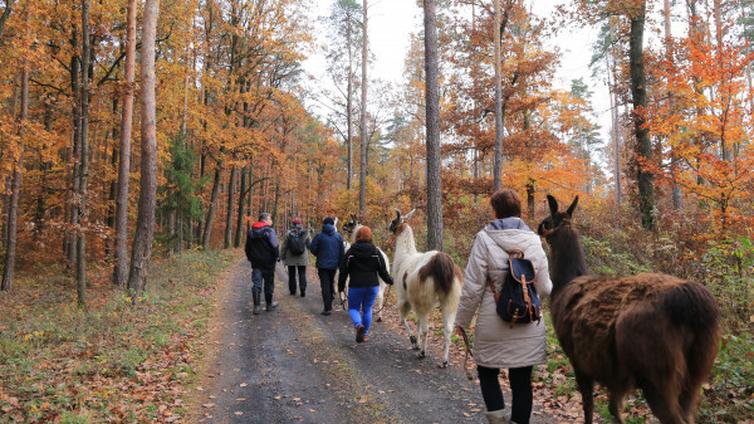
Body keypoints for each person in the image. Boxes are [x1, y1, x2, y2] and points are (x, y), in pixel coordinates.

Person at [454, 189, 553, 424]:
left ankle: (497, 419)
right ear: (519, 211)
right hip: (527, 321)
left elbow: (473, 286)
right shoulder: (533, 240)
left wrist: (461, 321)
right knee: (521, 381)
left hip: (493, 322)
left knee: (487, 372)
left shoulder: (484, 239)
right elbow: (546, 287)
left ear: (495, 211)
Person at [337, 226, 393, 342]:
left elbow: (343, 270)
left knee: (353, 308)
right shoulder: (376, 252)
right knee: (367, 309)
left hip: (356, 286)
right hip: (372, 286)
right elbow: (382, 271)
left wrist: (341, 286)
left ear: (357, 236)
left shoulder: (351, 252)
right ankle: (365, 334)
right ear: (370, 237)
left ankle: (358, 325)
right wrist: (390, 281)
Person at [244, 212, 280, 315]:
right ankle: (269, 305)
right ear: (265, 220)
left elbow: (247, 248)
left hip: (256, 263)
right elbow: (275, 246)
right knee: (269, 283)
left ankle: (256, 307)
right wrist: (276, 256)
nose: (271, 221)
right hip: (269, 262)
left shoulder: (251, 231)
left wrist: (250, 258)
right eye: (270, 219)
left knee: (256, 283)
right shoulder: (269, 231)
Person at [309, 216, 344, 315]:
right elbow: (342, 252)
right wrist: (340, 264)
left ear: (324, 224)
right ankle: (330, 298)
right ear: (333, 225)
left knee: (325, 285)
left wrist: (318, 254)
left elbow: (312, 248)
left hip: (322, 265)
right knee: (331, 281)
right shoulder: (338, 236)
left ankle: (327, 308)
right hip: (334, 265)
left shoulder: (319, 236)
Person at [281, 217, 310, 297]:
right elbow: (309, 245)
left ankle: (293, 291)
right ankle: (303, 290)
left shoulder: (288, 233)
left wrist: (282, 256)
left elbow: (284, 246)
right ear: (300, 223)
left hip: (291, 257)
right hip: (302, 257)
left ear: (292, 224)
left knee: (291, 275)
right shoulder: (305, 232)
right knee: (302, 273)